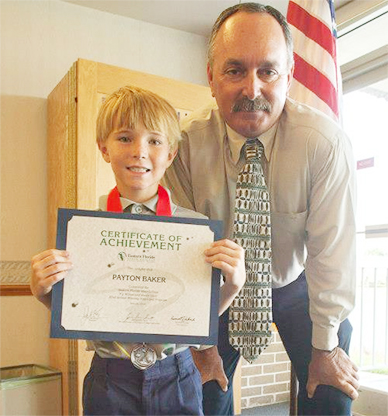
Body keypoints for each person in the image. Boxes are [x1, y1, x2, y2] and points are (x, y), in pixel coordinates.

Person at [164, 3, 360, 415]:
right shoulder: (182, 147)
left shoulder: (323, 143)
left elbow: (332, 252)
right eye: (235, 70)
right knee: (202, 395)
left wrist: (325, 348)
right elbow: (181, 253)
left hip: (298, 281)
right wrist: (200, 348)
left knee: (331, 393)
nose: (252, 89)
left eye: (268, 71)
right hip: (214, 286)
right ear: (211, 78)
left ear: (288, 78)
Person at [30, 85, 246, 416]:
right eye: (125, 138)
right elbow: (74, 310)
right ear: (104, 148)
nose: (139, 151)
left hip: (176, 374)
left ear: (171, 153)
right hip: (110, 377)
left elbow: (197, 316)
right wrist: (43, 291)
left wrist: (233, 284)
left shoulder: (197, 230)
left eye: (154, 141)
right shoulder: (85, 233)